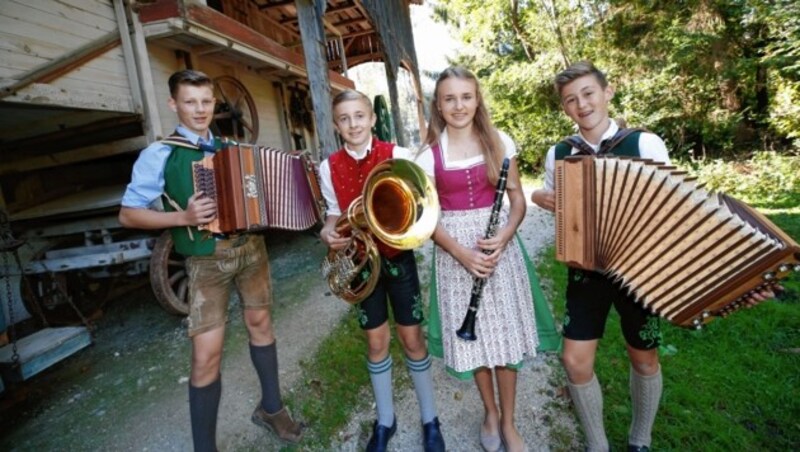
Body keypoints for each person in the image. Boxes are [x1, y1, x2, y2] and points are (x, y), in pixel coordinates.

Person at [530, 61, 777, 452]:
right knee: (575, 362)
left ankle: (639, 440)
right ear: (565, 108)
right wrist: (543, 199)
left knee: (644, 360)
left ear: (607, 92)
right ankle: (598, 445)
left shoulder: (644, 143)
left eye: (588, 93)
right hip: (586, 271)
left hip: (641, 270)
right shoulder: (559, 152)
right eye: (571, 100)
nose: (582, 105)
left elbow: (676, 210)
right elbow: (549, 197)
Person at [118, 69, 302, 451]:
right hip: (205, 261)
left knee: (262, 325)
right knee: (206, 355)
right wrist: (181, 218)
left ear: (214, 103)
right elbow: (129, 214)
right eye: (190, 102)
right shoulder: (161, 153)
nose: (199, 109)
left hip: (250, 250)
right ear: (174, 104)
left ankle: (271, 408)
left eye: (205, 101)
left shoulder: (231, 149)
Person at [419, 67, 560, 452]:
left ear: (477, 99)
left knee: (506, 341)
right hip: (455, 254)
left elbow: (516, 199)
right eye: (449, 98)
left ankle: (510, 423)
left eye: (466, 96)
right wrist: (462, 253)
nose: (458, 105)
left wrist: (505, 235)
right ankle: (491, 414)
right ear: (439, 105)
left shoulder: (500, 141)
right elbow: (427, 219)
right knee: (476, 342)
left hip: (498, 250)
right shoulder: (428, 156)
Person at [318, 89, 446, 452]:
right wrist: (329, 232)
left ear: (372, 119)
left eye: (360, 116)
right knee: (376, 342)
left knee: (412, 339)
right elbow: (332, 212)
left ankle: (430, 420)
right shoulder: (329, 166)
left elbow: (424, 196)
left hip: (397, 259)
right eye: (344, 119)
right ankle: (385, 421)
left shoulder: (397, 155)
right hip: (361, 266)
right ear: (336, 125)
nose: (353, 124)